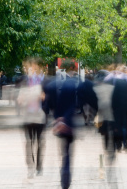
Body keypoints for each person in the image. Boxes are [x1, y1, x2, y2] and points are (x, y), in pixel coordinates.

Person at [45, 60, 78, 189]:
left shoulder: (52, 84)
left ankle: (64, 177)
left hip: (58, 123)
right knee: (68, 153)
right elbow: (75, 105)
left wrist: (57, 119)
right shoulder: (73, 84)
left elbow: (49, 105)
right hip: (69, 123)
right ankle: (66, 178)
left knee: (64, 151)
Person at [17, 59, 47, 179]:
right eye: (31, 67)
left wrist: (44, 97)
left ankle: (39, 167)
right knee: (29, 143)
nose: (32, 69)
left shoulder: (44, 81)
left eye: (35, 67)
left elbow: (49, 98)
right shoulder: (24, 81)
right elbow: (19, 99)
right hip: (28, 116)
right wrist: (21, 99)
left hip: (39, 116)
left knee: (40, 143)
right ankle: (31, 167)